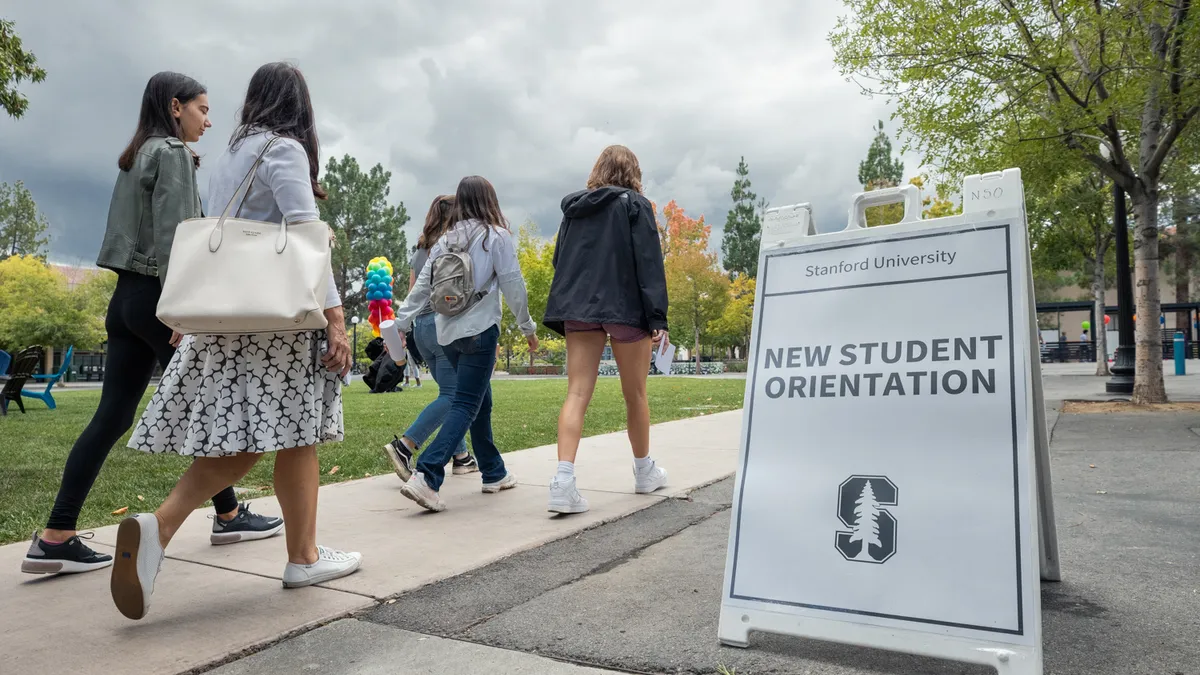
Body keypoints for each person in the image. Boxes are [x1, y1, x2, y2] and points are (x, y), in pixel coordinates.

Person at [109, 63, 361, 621]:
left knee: (257, 439)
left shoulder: (227, 155)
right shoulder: (283, 149)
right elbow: (307, 239)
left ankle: (295, 554)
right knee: (281, 437)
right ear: (299, 105)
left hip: (229, 318)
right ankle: (175, 530)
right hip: (280, 324)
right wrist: (337, 321)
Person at [21, 72, 281, 577]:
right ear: (175, 105)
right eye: (203, 109)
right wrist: (182, 308)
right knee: (211, 403)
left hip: (125, 300)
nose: (208, 120)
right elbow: (178, 238)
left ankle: (56, 535)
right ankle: (227, 516)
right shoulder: (173, 155)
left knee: (113, 417)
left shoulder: (135, 155)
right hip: (159, 299)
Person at [390, 177, 538, 512]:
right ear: (490, 200)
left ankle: (493, 472)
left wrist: (400, 324)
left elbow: (422, 288)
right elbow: (513, 284)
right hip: (480, 330)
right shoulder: (495, 237)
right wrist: (527, 328)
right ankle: (426, 476)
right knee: (465, 403)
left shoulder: (444, 241)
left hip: (448, 334)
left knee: (480, 401)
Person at [541, 145, 669, 514]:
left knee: (577, 393)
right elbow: (648, 262)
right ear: (634, 173)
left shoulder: (573, 211)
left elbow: (558, 258)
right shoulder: (635, 205)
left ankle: (563, 482)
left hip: (580, 307)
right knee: (636, 395)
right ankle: (644, 472)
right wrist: (656, 317)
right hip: (625, 306)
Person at [383, 196, 477, 480]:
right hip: (442, 324)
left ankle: (460, 456)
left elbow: (414, 290)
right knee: (455, 395)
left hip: (420, 329)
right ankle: (406, 445)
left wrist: (403, 327)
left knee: (447, 392)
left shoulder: (419, 250)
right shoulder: (453, 246)